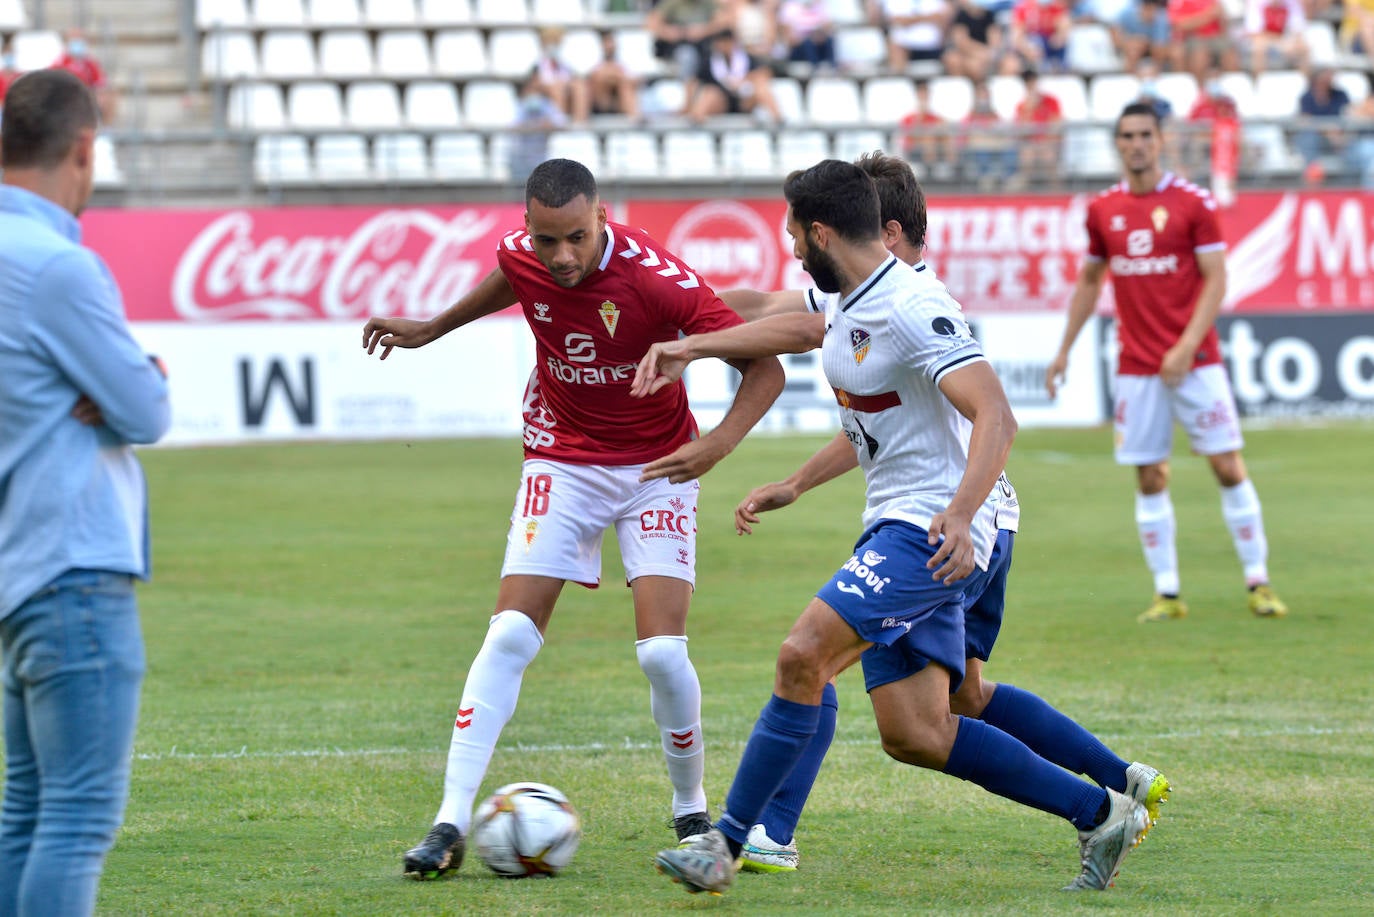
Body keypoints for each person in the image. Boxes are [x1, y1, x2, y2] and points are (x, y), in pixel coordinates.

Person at [640, 159, 1155, 897]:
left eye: (791, 231)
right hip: (895, 522)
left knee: (802, 655)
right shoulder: (849, 299)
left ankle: (727, 840)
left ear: (820, 232)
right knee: (918, 731)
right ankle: (1100, 809)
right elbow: (791, 331)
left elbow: (995, 415)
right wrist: (690, 337)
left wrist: (960, 511)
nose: (788, 246)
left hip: (926, 531)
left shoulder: (914, 305)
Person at [359, 158, 785, 880]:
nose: (561, 257)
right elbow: (511, 278)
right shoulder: (526, 257)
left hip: (658, 468)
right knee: (509, 636)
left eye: (577, 239)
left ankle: (691, 809)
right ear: (528, 226)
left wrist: (714, 444)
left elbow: (765, 366)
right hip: (561, 457)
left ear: (603, 220)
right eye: (546, 239)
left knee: (660, 654)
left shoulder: (655, 276)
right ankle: (449, 821)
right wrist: (431, 329)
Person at [0, 69, 171, 917]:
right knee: (75, 818)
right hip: (74, 564)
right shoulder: (59, 265)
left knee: (26, 813)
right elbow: (145, 408)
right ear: (83, 149)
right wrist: (133, 377)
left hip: (16, 569)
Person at [1045, 103, 1288, 624]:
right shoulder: (1102, 210)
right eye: (1127, 135)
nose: (1136, 144)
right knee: (1150, 476)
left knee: (1226, 465)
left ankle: (1259, 581)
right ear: (1118, 143)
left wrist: (1185, 346)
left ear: (1161, 141)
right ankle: (1168, 593)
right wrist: (1065, 348)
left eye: (1145, 135)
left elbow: (1217, 279)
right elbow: (1089, 282)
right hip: (1136, 366)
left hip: (1196, 361)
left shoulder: (1192, 203)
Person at [684, 29, 781, 124]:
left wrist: (743, 80)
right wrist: (687, 106)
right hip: (721, 101)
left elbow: (765, 72)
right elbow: (693, 81)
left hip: (744, 100)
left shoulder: (747, 58)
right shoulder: (709, 62)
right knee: (710, 93)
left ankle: (778, 120)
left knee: (761, 85)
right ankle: (696, 120)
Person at [506, 69, 568, 184]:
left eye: (537, 88)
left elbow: (562, 122)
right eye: (532, 87)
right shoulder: (520, 106)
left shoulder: (546, 105)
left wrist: (549, 124)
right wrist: (532, 125)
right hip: (521, 162)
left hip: (542, 162)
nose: (534, 92)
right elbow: (511, 126)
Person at [1293, 67, 1350, 185]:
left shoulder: (1340, 95)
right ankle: (1313, 176)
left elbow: (1348, 115)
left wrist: (1335, 131)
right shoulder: (1307, 97)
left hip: (1339, 136)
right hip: (1317, 136)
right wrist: (1326, 129)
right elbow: (1305, 121)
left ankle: (1347, 183)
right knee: (1308, 138)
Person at [51, 29, 116, 125]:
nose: (78, 44)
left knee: (108, 95)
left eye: (81, 40)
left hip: (86, 94)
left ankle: (104, 126)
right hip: (68, 95)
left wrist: (100, 93)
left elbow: (100, 82)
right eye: (75, 40)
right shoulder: (60, 63)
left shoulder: (89, 63)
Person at [1014, 68, 1064, 187]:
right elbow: (1021, 130)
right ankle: (1026, 193)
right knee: (1027, 156)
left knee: (1048, 155)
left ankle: (1056, 190)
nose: (1031, 85)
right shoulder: (1022, 106)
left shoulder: (1051, 101)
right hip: (1031, 144)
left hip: (1049, 143)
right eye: (1028, 82)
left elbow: (1056, 124)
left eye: (1033, 81)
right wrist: (1029, 109)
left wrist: (1045, 141)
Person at [585, 30, 642, 122]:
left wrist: (615, 76)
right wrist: (615, 75)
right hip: (598, 101)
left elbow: (634, 79)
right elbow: (595, 76)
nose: (610, 46)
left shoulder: (622, 60)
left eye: (611, 42)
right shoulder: (591, 58)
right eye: (607, 42)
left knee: (625, 86)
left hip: (616, 100)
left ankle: (634, 119)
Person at [1241, 0, 1308, 74]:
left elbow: (1297, 30)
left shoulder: (1293, 3)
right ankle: (1258, 80)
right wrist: (1280, 42)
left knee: (1304, 48)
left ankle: (1304, 80)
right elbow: (1254, 33)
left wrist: (1291, 42)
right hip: (1264, 40)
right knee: (1259, 47)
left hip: (1284, 40)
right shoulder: (1256, 2)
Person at [1113, 0, 1171, 72]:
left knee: (1160, 50)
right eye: (1147, 9)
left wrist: (1145, 41)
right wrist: (1128, 42)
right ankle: (1131, 75)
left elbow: (1160, 43)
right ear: (1141, 7)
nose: (1150, 13)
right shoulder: (1127, 13)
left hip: (1152, 47)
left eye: (1152, 9)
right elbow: (1115, 31)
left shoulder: (1161, 17)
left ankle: (1156, 74)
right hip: (1131, 45)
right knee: (1134, 49)